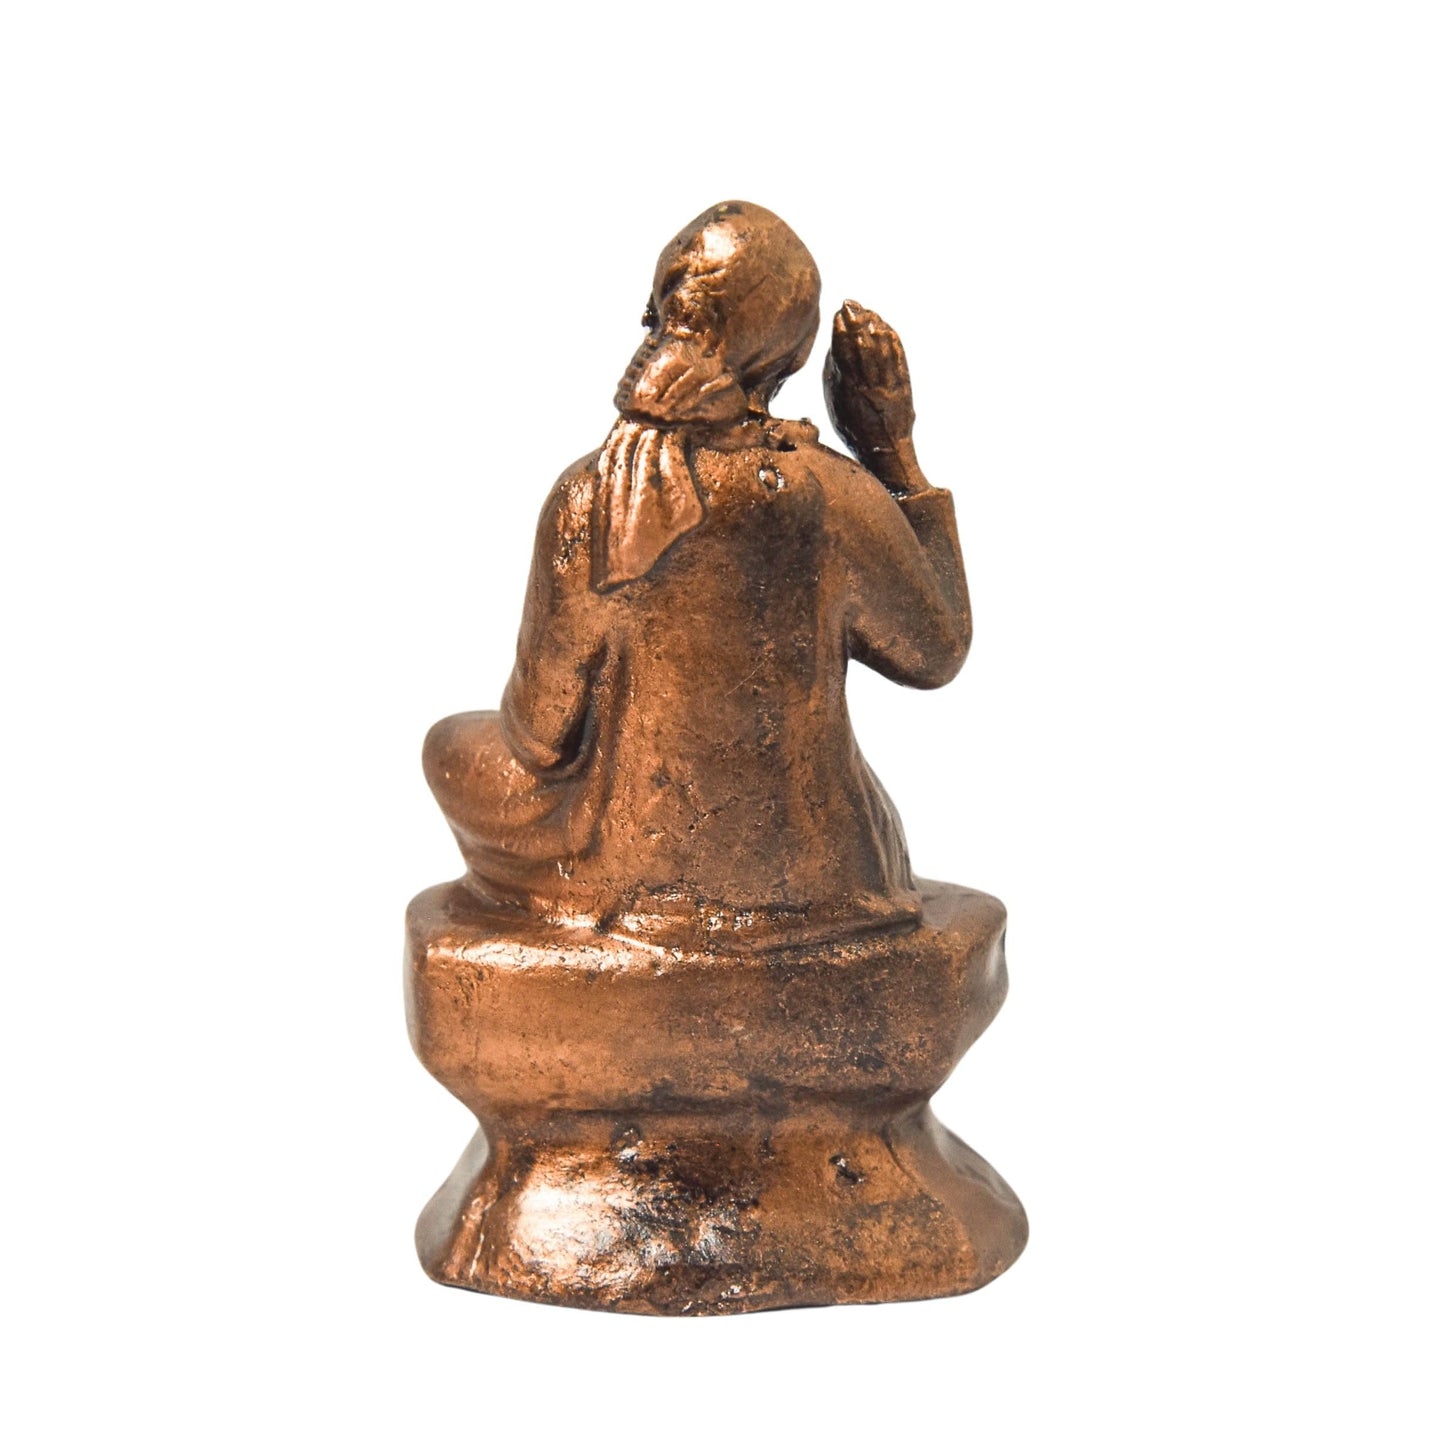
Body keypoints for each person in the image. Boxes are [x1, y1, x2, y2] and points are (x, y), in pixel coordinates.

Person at [424, 201, 971, 949]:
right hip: (834, 876)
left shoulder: (592, 497)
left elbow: (541, 738)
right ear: (789, 354)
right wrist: (893, 455)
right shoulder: (839, 493)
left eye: (657, 313)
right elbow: (937, 651)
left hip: (637, 876)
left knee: (450, 746)